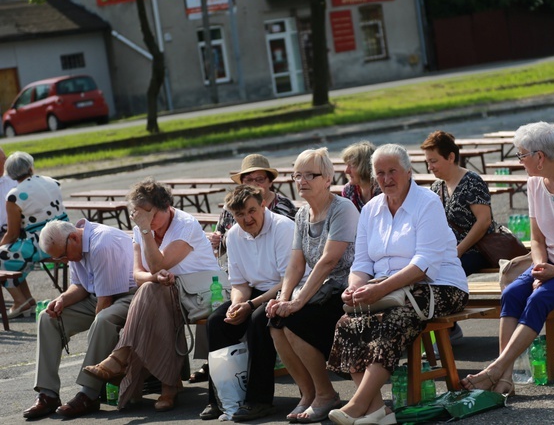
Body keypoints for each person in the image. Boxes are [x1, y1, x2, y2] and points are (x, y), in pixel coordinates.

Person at [460, 122, 554, 395]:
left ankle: (495, 369)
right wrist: (542, 266)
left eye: (522, 155)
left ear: (539, 157)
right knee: (511, 294)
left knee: (539, 297)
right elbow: (536, 239)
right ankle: (505, 379)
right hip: (553, 262)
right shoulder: (534, 182)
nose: (519, 161)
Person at [327, 144, 469, 425]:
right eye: (380, 173)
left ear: (408, 171)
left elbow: (423, 264)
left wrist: (379, 289)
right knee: (348, 322)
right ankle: (378, 410)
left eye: (393, 171)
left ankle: (357, 405)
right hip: (390, 289)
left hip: (440, 285)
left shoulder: (426, 203)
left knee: (394, 319)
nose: (387, 178)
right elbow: (362, 263)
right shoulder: (370, 210)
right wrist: (355, 287)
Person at [83, 178, 221, 411]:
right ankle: (168, 386)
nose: (145, 220)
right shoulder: (142, 228)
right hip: (165, 293)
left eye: (150, 214)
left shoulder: (185, 224)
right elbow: (139, 275)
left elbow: (157, 265)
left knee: (154, 294)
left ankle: (121, 359)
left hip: (201, 293)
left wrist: (145, 231)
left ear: (166, 207)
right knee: (152, 291)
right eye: (140, 215)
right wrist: (154, 276)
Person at [265, 148, 358, 423]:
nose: (302, 181)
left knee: (295, 319)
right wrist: (283, 298)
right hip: (319, 289)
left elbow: (329, 261)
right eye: (297, 175)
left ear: (328, 179)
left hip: (346, 288)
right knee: (275, 321)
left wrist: (296, 302)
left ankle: (326, 394)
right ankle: (308, 393)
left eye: (310, 175)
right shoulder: (303, 214)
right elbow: (295, 265)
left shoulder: (343, 209)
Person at [22, 219, 136, 420]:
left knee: (103, 320)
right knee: (48, 319)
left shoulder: (101, 243)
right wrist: (62, 299)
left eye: (64, 256)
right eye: (60, 258)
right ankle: (48, 394)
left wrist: (92, 340)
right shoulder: (74, 245)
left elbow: (105, 300)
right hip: (99, 295)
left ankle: (89, 393)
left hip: (130, 295)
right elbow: (81, 286)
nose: (65, 261)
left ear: (74, 238)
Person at [202, 185, 294, 421]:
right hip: (254, 291)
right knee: (217, 322)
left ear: (263, 204)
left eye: (252, 211)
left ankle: (259, 400)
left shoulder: (283, 228)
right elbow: (239, 283)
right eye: (240, 214)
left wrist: (251, 306)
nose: (247, 218)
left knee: (257, 320)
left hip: (287, 289)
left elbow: (287, 280)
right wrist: (237, 305)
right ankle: (220, 399)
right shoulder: (233, 235)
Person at [0, 151, 68, 318]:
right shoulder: (52, 182)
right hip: (65, 233)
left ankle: (19, 301)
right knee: (14, 252)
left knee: (4, 254)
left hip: (42, 243)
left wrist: (1, 245)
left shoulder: (14, 196)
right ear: (31, 166)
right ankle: (27, 300)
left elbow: (13, 233)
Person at [421, 130, 495, 276]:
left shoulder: (472, 181)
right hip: (448, 253)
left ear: (451, 157)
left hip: (475, 251)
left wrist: (458, 250)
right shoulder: (437, 186)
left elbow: (484, 221)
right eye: (428, 162)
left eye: (433, 161)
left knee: (440, 275)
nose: (430, 167)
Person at [210, 153, 296, 254]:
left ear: (270, 182)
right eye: (249, 180)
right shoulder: (231, 206)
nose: (254, 184)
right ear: (242, 183)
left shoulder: (284, 206)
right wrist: (216, 239)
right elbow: (220, 243)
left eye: (260, 179)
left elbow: (294, 244)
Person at [341, 140, 381, 211]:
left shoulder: (383, 190)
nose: (346, 171)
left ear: (365, 166)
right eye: (347, 165)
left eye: (352, 165)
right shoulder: (349, 190)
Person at [0, 148, 17, 234]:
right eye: (3, 160)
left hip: (12, 233)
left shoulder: (14, 181)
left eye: (5, 159)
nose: (5, 163)